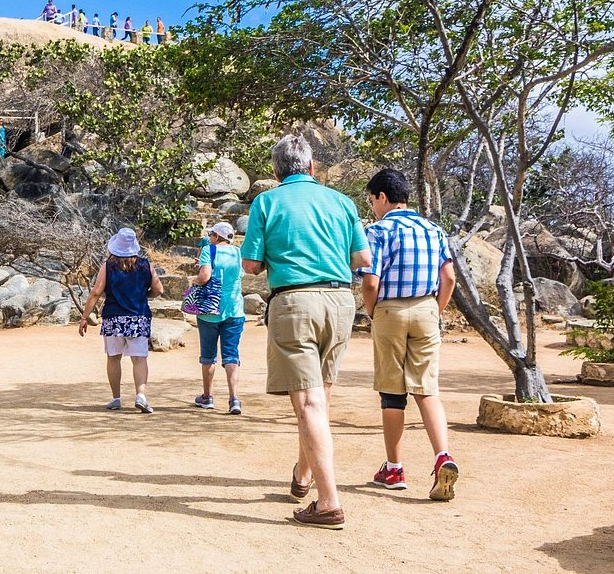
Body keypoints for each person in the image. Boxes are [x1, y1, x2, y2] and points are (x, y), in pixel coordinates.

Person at [240, 133, 370, 530]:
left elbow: (250, 266)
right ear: (312, 168)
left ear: (277, 172)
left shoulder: (268, 202)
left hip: (295, 302)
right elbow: (362, 258)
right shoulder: (341, 202)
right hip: (340, 302)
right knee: (318, 398)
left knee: (309, 403)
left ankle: (329, 503)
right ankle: (303, 474)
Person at [358, 168, 460, 501]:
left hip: (390, 309)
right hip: (428, 309)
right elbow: (450, 279)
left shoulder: (377, 231)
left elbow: (370, 281)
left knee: (391, 392)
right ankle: (443, 456)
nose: (373, 206)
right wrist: (436, 310)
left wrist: (373, 312)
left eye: (372, 200)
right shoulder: (434, 230)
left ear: (382, 197)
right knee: (427, 388)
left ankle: (394, 468)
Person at [78, 227, 163, 413]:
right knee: (139, 358)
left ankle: (116, 398)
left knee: (113, 358)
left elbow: (96, 292)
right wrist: (144, 295)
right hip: (138, 317)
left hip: (113, 317)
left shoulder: (108, 265)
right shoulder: (146, 265)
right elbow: (159, 289)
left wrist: (85, 317)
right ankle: (140, 395)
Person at [192, 222, 245, 415]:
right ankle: (234, 399)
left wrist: (195, 280)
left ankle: (208, 396)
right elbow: (240, 274)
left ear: (215, 236)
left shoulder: (209, 250)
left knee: (208, 355)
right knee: (231, 355)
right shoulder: (238, 252)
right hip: (234, 308)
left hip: (209, 310)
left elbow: (205, 276)